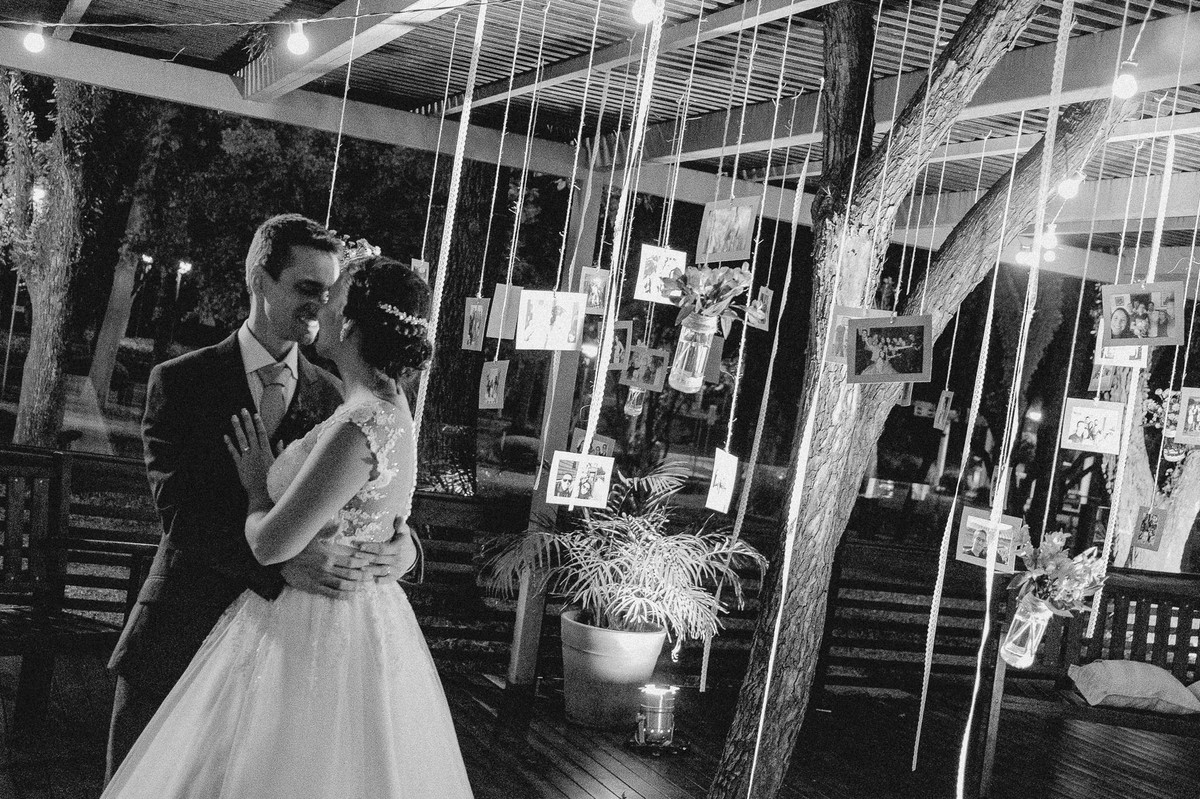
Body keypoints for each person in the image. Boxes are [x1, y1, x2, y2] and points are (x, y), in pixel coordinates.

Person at [102, 255, 473, 798]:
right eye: (306, 286)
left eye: (330, 290)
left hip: (304, 655)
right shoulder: (182, 380)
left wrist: (404, 551)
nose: (320, 302)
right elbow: (181, 514)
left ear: (352, 320)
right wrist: (284, 558)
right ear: (260, 281)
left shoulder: (340, 398)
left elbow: (371, 500)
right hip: (187, 624)